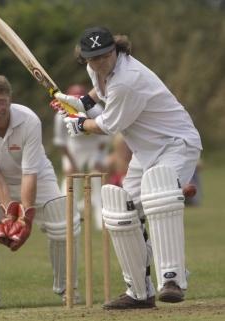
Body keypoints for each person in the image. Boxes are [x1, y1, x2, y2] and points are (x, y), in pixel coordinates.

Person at [53, 27, 202, 310]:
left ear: (116, 50)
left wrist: (79, 124)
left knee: (159, 195)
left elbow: (108, 126)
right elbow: (102, 90)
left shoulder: (128, 80)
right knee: (121, 210)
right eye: (93, 58)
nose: (100, 63)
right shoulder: (96, 69)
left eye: (105, 55)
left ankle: (172, 279)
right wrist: (84, 102)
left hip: (175, 143)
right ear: (85, 58)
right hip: (144, 151)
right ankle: (138, 291)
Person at [0, 73, 81, 312]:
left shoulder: (28, 120)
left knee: (63, 220)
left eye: (2, 101)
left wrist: (24, 217)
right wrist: (8, 213)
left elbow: (30, 173)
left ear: (10, 99)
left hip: (36, 173)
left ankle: (68, 287)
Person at [53, 84, 109, 230]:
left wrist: (97, 159)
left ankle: (101, 221)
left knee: (98, 178)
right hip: (73, 151)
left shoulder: (96, 110)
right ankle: (65, 218)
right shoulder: (61, 114)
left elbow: (103, 139)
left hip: (95, 149)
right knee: (70, 181)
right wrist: (71, 163)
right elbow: (61, 142)